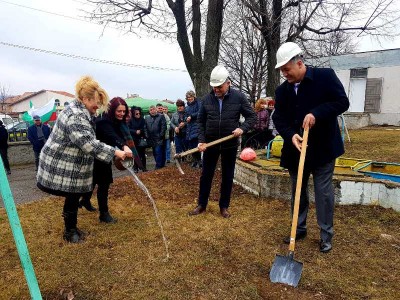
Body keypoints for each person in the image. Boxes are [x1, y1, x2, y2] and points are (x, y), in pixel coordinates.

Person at [272, 42, 349, 253]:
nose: (284, 74)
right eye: (281, 71)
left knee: (323, 193)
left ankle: (326, 235)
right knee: (298, 192)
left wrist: (317, 113)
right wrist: (290, 136)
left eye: (287, 70)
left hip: (323, 148)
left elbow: (342, 102)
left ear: (299, 63)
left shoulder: (325, 77)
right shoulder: (282, 91)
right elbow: (278, 118)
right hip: (296, 150)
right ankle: (298, 228)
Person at [36, 76, 128, 243]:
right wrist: (116, 152)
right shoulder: (75, 115)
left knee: (74, 195)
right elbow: (87, 143)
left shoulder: (79, 111)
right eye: (96, 102)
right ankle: (70, 232)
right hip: (61, 162)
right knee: (72, 194)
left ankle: (72, 228)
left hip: (71, 164)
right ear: (85, 99)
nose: (98, 107)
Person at [189, 65, 256, 218]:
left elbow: (252, 116)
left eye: (219, 87)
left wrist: (242, 129)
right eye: (214, 87)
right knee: (206, 174)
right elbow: (200, 122)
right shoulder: (206, 99)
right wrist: (201, 141)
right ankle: (201, 204)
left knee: (227, 175)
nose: (216, 90)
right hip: (210, 143)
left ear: (228, 83)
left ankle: (224, 206)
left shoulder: (239, 97)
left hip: (229, 143)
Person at [79, 97, 134, 223]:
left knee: (94, 181)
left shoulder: (116, 121)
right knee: (103, 183)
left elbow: (117, 135)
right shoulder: (103, 120)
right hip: (96, 155)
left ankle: (85, 201)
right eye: (119, 111)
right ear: (112, 109)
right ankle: (104, 214)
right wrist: (124, 145)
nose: (121, 114)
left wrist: (123, 145)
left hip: (105, 154)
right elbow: (112, 135)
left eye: (123, 111)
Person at [145, 105, 167, 169]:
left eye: (153, 109)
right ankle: (160, 164)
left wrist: (161, 135)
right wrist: (146, 135)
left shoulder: (161, 116)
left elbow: (164, 126)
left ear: (156, 110)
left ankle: (158, 166)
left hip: (159, 138)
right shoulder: (147, 118)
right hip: (151, 138)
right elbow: (145, 127)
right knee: (154, 152)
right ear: (149, 111)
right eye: (151, 110)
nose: (152, 111)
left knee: (158, 151)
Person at [185, 90, 202, 168]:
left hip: (197, 126)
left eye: (191, 97)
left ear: (194, 97)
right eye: (188, 97)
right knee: (191, 146)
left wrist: (191, 116)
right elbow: (186, 115)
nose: (189, 98)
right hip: (189, 128)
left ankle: (199, 161)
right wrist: (186, 118)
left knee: (196, 145)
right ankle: (195, 160)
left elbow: (200, 112)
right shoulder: (187, 107)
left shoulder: (198, 103)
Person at [128, 106, 147, 172]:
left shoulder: (142, 119)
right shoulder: (130, 120)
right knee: (135, 154)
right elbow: (128, 129)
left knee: (142, 154)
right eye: (136, 113)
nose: (138, 114)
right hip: (133, 139)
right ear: (133, 113)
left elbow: (145, 127)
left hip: (141, 139)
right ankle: (135, 168)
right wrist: (135, 131)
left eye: (139, 113)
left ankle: (144, 167)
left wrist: (140, 131)